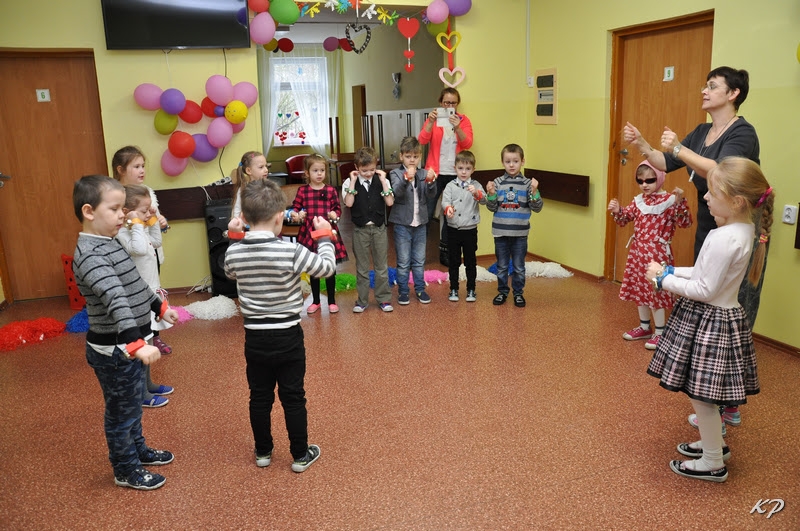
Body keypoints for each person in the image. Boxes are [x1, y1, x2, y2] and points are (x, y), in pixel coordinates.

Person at [624, 66, 761, 426]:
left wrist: (679, 148)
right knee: (706, 296)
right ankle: (709, 388)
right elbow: (665, 161)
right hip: (711, 219)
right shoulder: (702, 131)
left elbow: (719, 171)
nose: (704, 90)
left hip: (735, 221)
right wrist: (643, 144)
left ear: (733, 94)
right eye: (705, 85)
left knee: (731, 306)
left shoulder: (742, 132)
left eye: (712, 86)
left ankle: (728, 400)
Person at [645, 157, 772, 483]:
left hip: (709, 322)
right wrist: (672, 270)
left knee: (701, 397)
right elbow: (705, 273)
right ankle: (713, 444)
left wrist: (662, 280)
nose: (705, 197)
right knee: (703, 395)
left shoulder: (722, 238)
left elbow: (703, 289)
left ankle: (713, 461)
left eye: (712, 193)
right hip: (723, 317)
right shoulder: (743, 230)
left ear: (736, 201)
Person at [72, 175, 179, 490]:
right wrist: (135, 343)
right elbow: (115, 298)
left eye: (123, 208)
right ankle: (125, 469)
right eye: (114, 209)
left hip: (129, 345)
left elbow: (135, 283)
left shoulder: (110, 242)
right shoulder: (90, 255)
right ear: (89, 211)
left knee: (132, 406)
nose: (123, 215)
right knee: (121, 414)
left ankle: (138, 450)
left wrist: (159, 307)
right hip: (114, 350)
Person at [224, 178, 335, 473]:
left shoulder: (235, 252)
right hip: (288, 337)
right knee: (293, 396)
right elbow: (326, 268)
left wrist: (235, 237)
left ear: (244, 217)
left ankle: (263, 452)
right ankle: (300, 455)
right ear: (278, 218)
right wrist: (324, 237)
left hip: (255, 339)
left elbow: (229, 271)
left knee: (259, 396)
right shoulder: (291, 251)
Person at [607, 160, 692, 350]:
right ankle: (644, 327)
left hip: (658, 255)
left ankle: (660, 332)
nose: (644, 185)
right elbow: (624, 219)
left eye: (650, 180)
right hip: (638, 254)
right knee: (640, 289)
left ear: (660, 178)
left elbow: (685, 223)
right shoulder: (639, 201)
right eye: (640, 181)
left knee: (656, 292)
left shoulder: (670, 201)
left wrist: (680, 203)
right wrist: (617, 210)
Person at [116, 184, 175, 408]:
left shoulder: (139, 229)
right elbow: (139, 250)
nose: (149, 212)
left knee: (148, 340)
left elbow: (156, 243)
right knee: (140, 346)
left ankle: (147, 384)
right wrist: (137, 224)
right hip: (136, 299)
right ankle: (140, 394)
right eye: (144, 210)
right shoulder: (125, 233)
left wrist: (151, 221)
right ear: (127, 213)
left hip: (149, 295)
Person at [112, 146, 173, 356]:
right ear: (121, 169)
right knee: (138, 298)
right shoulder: (113, 195)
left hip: (149, 254)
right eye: (136, 166)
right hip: (132, 256)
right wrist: (136, 223)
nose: (142, 170)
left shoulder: (147, 192)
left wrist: (159, 221)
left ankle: (154, 335)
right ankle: (138, 338)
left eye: (143, 166)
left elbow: (154, 221)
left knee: (153, 293)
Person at [418, 87, 474, 266]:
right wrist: (429, 122)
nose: (450, 106)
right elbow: (422, 140)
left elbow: (468, 143)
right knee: (426, 214)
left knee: (451, 215)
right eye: (446, 102)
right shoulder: (433, 119)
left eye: (453, 103)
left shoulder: (464, 121)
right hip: (434, 173)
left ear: (458, 104)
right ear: (440, 103)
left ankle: (446, 253)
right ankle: (419, 254)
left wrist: (458, 127)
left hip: (456, 175)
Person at [289, 153, 349, 315]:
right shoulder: (303, 191)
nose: (319, 174)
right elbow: (295, 208)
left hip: (327, 233)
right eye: (315, 171)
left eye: (322, 170)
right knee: (313, 269)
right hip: (309, 233)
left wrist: (335, 214)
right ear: (307, 173)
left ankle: (332, 301)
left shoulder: (330, 190)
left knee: (330, 269)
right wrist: (297, 214)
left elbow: (337, 209)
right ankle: (316, 301)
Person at [485, 144, 543, 308]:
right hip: (500, 233)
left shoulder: (528, 184)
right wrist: (491, 195)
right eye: (508, 161)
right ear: (502, 162)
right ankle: (502, 292)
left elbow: (537, 208)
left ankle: (518, 293)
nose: (511, 165)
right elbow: (491, 207)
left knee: (519, 267)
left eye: (515, 161)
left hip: (520, 234)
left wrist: (535, 191)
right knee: (502, 266)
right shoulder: (497, 183)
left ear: (522, 161)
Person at [341, 146, 395, 313]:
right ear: (356, 167)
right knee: (362, 268)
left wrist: (384, 181)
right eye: (364, 170)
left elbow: (390, 202)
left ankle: (383, 299)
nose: (369, 173)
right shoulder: (349, 182)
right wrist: (352, 181)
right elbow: (349, 203)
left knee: (381, 267)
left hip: (379, 229)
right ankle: (362, 301)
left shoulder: (381, 180)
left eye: (372, 169)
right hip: (360, 230)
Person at [388, 136, 438, 305]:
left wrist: (431, 182)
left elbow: (431, 195)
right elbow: (396, 193)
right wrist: (405, 179)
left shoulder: (423, 173)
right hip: (402, 224)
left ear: (420, 157)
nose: (412, 160)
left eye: (415, 157)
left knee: (419, 261)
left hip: (420, 224)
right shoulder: (395, 173)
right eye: (408, 156)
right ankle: (403, 291)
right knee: (403, 262)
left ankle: (420, 289)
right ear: (401, 156)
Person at [441, 150, 486, 303]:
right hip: (453, 229)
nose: (464, 172)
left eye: (468, 169)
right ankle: (453, 288)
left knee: (470, 261)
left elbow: (485, 200)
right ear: (455, 168)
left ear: (473, 170)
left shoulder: (476, 185)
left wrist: (477, 194)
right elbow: (445, 201)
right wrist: (448, 208)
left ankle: (471, 289)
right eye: (460, 168)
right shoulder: (450, 186)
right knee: (454, 261)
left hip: (470, 230)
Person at [231, 150, 270, 220]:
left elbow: (274, 208)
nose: (266, 170)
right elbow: (236, 213)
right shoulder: (243, 189)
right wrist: (239, 223)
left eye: (266, 166)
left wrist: (287, 214)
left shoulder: (268, 188)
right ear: (249, 171)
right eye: (261, 167)